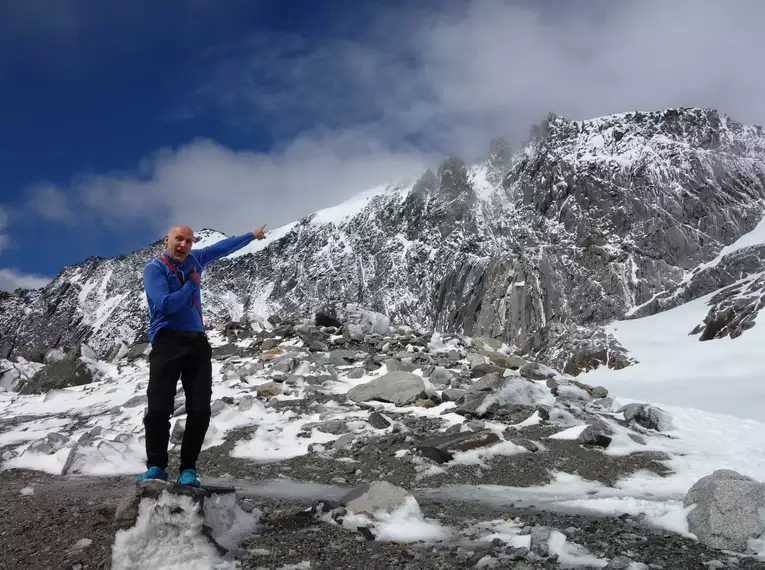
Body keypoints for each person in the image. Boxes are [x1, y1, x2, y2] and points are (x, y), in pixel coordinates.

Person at [137, 223, 266, 486]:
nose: (183, 245)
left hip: (197, 343)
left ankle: (188, 469)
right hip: (167, 341)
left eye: (188, 241)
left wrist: (251, 236)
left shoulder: (194, 259)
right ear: (167, 240)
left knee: (200, 409)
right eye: (179, 239)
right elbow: (167, 305)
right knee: (159, 409)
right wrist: (192, 284)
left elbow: (221, 248)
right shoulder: (155, 269)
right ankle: (157, 467)